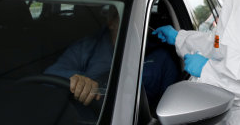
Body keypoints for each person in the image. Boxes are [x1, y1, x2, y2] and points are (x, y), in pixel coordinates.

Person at [45, 6, 178, 107]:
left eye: (141, 18)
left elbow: (174, 107)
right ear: (111, 22)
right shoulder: (86, 48)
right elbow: (49, 76)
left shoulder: (161, 58)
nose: (136, 24)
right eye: (128, 17)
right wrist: (78, 80)